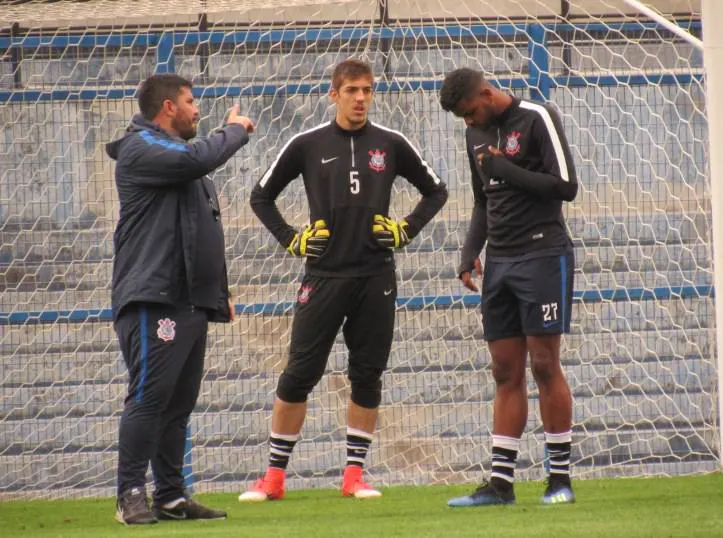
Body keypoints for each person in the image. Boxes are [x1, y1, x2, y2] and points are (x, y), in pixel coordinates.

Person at [240, 58, 448, 502]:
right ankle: (273, 478)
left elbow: (437, 190)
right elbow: (261, 196)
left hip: (376, 276)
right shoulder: (306, 143)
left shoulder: (390, 144)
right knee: (299, 374)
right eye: (352, 90)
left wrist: (405, 229)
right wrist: (292, 240)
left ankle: (354, 475)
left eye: (367, 90)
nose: (360, 98)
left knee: (367, 375)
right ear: (333, 94)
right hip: (324, 275)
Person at [106, 73, 255, 524]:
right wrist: (234, 131)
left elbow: (205, 227)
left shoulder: (186, 164)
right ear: (168, 107)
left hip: (191, 299)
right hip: (154, 296)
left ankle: (170, 496)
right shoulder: (141, 150)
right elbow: (194, 158)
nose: (197, 109)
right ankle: (129, 494)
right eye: (191, 102)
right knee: (150, 397)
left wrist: (219, 293)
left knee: (178, 403)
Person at [439, 68, 578, 506]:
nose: (468, 122)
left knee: (543, 364)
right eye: (462, 118)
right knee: (504, 370)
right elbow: (485, 199)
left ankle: (559, 480)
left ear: (486, 93)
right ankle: (500, 484)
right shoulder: (474, 135)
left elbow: (565, 187)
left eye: (469, 112)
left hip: (542, 254)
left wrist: (506, 167)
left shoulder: (537, 116)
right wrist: (468, 252)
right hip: (499, 262)